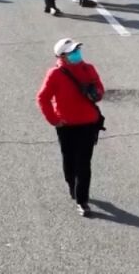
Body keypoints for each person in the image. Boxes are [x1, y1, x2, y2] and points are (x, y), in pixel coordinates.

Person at [36, 38, 105, 217]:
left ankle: (82, 200)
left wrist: (96, 93)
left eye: (77, 50)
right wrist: (54, 120)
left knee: (84, 163)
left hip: (88, 124)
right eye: (73, 52)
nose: (77, 54)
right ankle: (71, 186)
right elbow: (42, 98)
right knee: (69, 160)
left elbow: (99, 88)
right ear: (63, 56)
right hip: (66, 126)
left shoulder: (88, 68)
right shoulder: (55, 74)